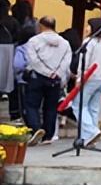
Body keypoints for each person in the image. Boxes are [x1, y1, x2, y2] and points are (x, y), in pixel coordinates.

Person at [23, 16, 72, 146]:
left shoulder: (34, 41)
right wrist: (57, 73)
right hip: (55, 78)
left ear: (41, 26)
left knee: (32, 105)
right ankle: (48, 135)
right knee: (51, 107)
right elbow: (66, 61)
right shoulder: (65, 43)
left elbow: (33, 60)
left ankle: (36, 128)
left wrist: (46, 72)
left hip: (37, 76)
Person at [76, 18, 101, 147]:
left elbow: (84, 62)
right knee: (93, 107)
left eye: (88, 25)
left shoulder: (89, 42)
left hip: (90, 77)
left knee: (78, 105)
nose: (86, 28)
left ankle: (91, 131)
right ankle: (89, 138)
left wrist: (79, 78)